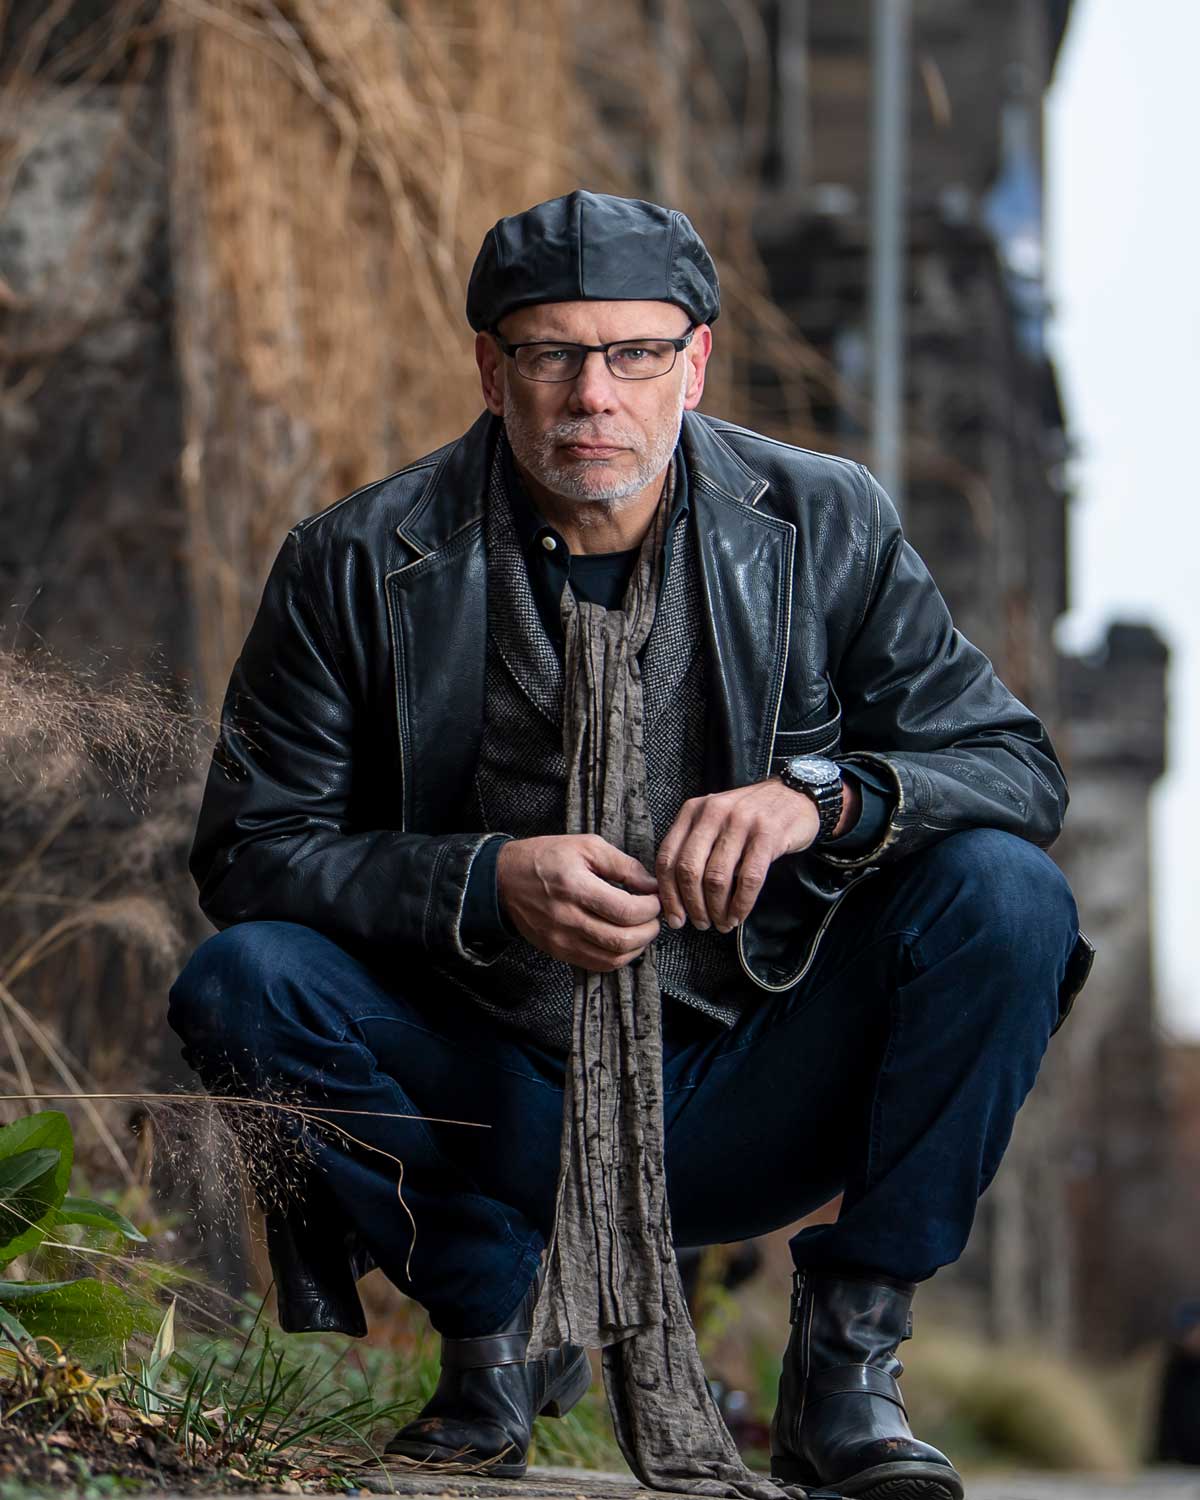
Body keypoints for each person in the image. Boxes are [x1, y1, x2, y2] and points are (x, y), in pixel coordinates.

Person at [169, 190, 1094, 1500]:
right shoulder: (355, 562)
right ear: (494, 369)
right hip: (492, 1088)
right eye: (552, 354)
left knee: (1007, 893)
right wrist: (483, 883)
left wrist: (816, 799)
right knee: (240, 982)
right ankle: (496, 1340)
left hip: (751, 1075)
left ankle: (848, 1375)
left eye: (635, 354)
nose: (592, 394)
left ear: (694, 361)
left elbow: (1015, 769)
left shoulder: (826, 524)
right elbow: (253, 852)